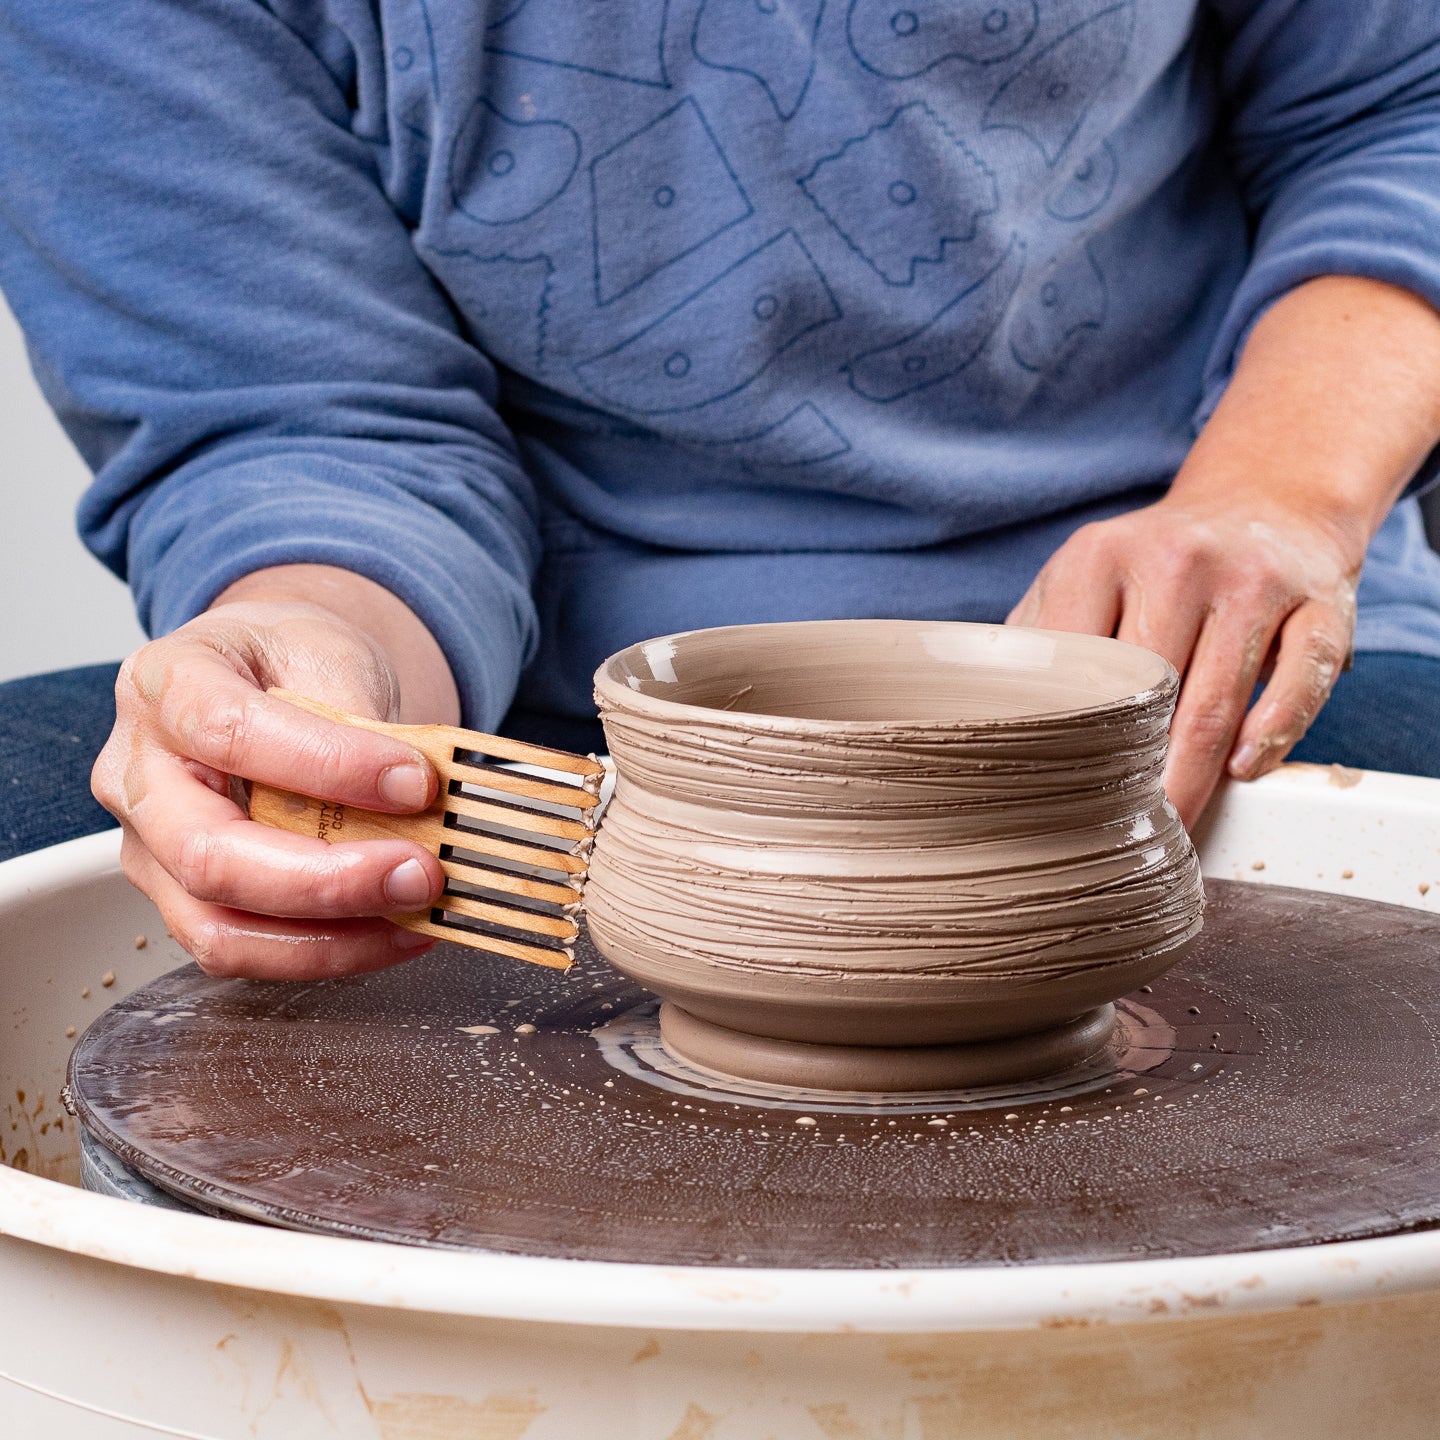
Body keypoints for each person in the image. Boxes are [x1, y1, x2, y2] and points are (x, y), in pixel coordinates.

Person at [2, 1, 1439, 980]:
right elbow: (313, 418)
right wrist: (322, 663)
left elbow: (1396, 103)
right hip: (545, 749)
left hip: (1180, 647)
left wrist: (1274, 497)